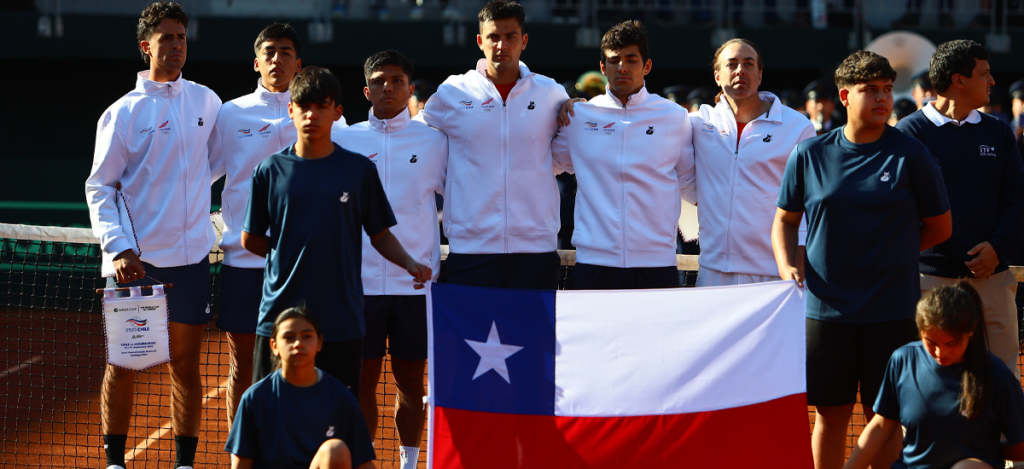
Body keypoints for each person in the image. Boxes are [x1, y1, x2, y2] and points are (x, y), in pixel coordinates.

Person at [772, 50, 952, 469]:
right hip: (825, 312)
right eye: (870, 90)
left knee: (883, 418)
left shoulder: (913, 155)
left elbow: (940, 228)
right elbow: (784, 219)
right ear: (845, 96)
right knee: (830, 414)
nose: (882, 98)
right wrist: (786, 264)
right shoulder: (809, 154)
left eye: (887, 89)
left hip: (892, 311)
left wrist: (894, 252)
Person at [84, 3, 221, 468]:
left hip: (192, 261)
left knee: (186, 366)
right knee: (123, 364)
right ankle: (114, 462)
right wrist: (119, 247)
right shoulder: (121, 113)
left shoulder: (207, 100)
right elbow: (100, 186)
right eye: (167, 37)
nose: (177, 45)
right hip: (136, 264)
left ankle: (184, 463)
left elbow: (213, 163)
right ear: (147, 46)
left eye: (181, 36)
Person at [241, 67, 431, 396]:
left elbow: (380, 234)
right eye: (304, 106)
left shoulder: (359, 170)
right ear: (291, 110)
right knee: (277, 412)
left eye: (322, 106)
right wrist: (291, 253)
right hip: (280, 314)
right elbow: (251, 239)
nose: (311, 115)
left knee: (337, 412)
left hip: (341, 317)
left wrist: (409, 262)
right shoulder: (268, 171)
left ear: (337, 112)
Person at [207, 22, 348, 430]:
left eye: (286, 52)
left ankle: (297, 444)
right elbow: (202, 175)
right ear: (257, 62)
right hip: (244, 261)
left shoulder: (322, 115)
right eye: (269, 52)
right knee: (243, 363)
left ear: (298, 64)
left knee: (302, 363)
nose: (277, 59)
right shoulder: (230, 114)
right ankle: (244, 450)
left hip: (306, 266)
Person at [332, 50, 447, 469]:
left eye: (397, 80)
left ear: (410, 89)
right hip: (358, 287)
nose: (388, 87)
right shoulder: (345, 140)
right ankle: (364, 462)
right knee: (361, 380)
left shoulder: (434, 141)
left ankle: (409, 464)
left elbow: (459, 199)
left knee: (411, 383)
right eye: (379, 81)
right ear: (366, 90)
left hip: (414, 287)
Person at [416, 0, 569, 290]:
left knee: (531, 324)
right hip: (471, 249)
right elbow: (415, 139)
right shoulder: (453, 91)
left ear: (524, 41)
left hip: (535, 249)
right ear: (480, 41)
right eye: (493, 37)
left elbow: (569, 148)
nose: (502, 45)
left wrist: (578, 106)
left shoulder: (551, 92)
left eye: (510, 36)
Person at [895, 39, 1024, 381]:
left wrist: (997, 248)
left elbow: (1017, 197)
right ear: (958, 80)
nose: (992, 81)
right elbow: (914, 205)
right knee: (933, 382)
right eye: (984, 73)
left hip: (993, 276)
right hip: (931, 280)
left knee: (1001, 382)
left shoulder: (999, 131)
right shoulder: (910, 132)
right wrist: (973, 252)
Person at [551, 20, 693, 290]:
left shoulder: (674, 116)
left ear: (646, 66)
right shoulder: (578, 116)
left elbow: (689, 183)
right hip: (594, 262)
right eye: (614, 60)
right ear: (603, 67)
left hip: (656, 264)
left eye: (631, 59)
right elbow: (544, 167)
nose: (622, 67)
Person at [842, 283, 1024, 469]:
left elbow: (1021, 447)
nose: (940, 353)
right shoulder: (903, 360)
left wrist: (985, 452)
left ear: (971, 331)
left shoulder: (998, 376)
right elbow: (881, 426)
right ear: (920, 331)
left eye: (951, 343)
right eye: (931, 342)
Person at [688, 38, 815, 287]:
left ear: (760, 75)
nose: (740, 71)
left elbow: (808, 196)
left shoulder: (798, 126)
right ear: (717, 76)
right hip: (713, 269)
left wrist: (800, 250)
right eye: (731, 64)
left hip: (775, 271)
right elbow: (679, 174)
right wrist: (709, 198)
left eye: (748, 64)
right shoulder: (698, 122)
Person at [225, 307, 377, 469]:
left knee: (335, 451)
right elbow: (241, 464)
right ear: (274, 346)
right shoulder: (255, 397)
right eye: (289, 337)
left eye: (307, 336)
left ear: (319, 343)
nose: (298, 344)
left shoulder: (340, 396)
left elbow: (365, 464)